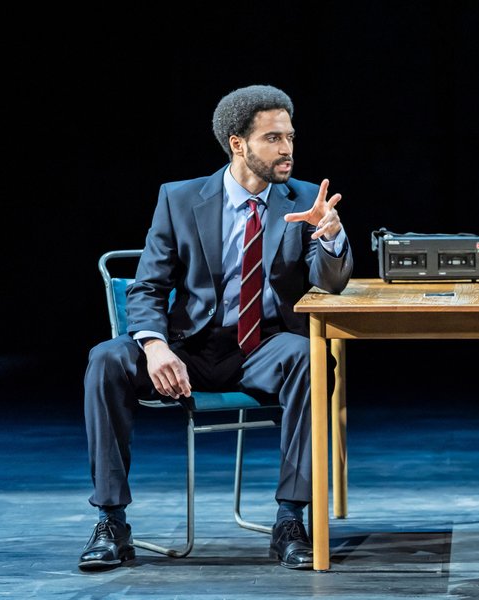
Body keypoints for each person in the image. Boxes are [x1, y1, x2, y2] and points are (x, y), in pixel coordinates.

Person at [79, 84, 353, 571]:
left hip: (263, 348)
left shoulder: (305, 198)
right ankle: (111, 521)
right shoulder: (180, 199)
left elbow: (330, 284)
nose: (287, 149)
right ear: (238, 143)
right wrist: (155, 346)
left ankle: (291, 519)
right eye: (273, 138)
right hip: (188, 349)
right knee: (106, 359)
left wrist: (330, 237)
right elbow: (148, 287)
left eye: (290, 137)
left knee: (312, 357)